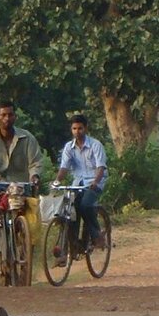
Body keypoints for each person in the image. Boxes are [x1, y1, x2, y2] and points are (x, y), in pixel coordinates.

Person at [0, 100, 44, 260]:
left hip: (20, 186)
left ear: (15, 117)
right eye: (3, 115)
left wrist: (35, 176)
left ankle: (24, 243)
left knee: (27, 213)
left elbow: (36, 162)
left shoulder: (27, 138)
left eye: (10, 114)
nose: (7, 118)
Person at [50, 114, 108, 266]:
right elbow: (64, 168)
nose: (77, 131)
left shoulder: (96, 145)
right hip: (78, 183)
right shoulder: (69, 147)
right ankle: (71, 246)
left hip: (94, 183)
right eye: (74, 128)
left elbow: (101, 167)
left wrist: (95, 182)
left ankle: (96, 236)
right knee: (70, 211)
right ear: (71, 130)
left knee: (85, 206)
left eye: (80, 128)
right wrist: (57, 181)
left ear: (86, 128)